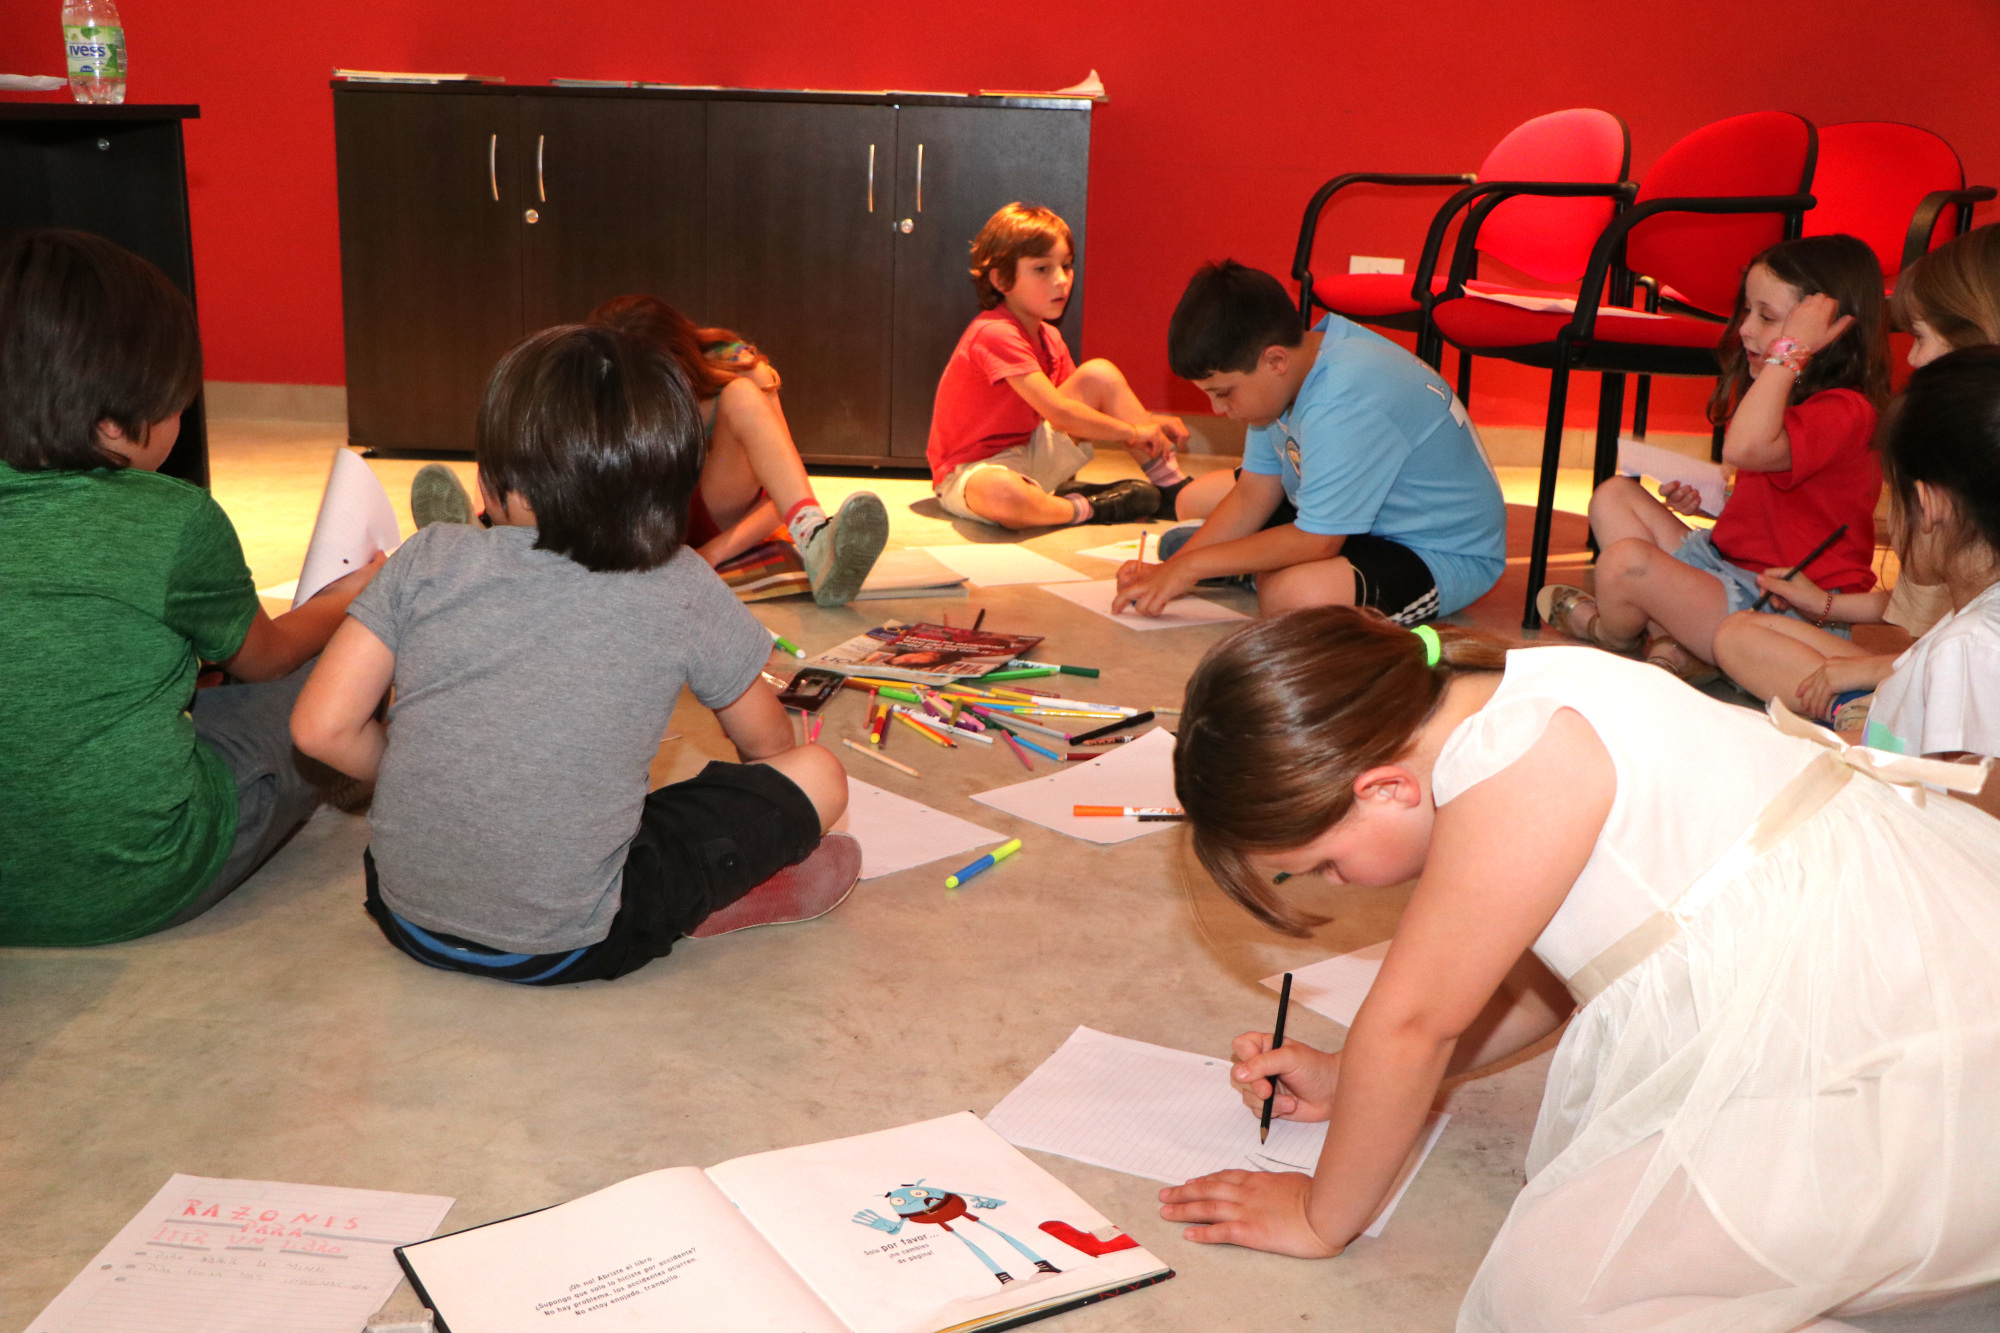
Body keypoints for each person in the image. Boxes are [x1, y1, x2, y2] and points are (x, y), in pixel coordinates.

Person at [1161, 607, 2000, 1330]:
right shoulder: (1512, 686)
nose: (1337, 886)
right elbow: (1560, 976)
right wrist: (1352, 1078)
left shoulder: (1507, 763)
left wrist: (1319, 1217)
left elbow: (1415, 1022)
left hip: (1922, 1073)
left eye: (1326, 864)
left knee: (1556, 1296)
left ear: (1384, 788)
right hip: (1900, 987)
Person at [291, 323, 856, 984]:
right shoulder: (677, 581)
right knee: (818, 772)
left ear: (495, 478)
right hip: (571, 940)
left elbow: (319, 727)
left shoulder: (427, 557)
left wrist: (419, 767)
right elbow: (769, 742)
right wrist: (763, 811)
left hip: (405, 913)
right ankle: (712, 894)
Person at [0, 229, 379, 947]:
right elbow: (264, 659)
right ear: (113, 421)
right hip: (139, 875)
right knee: (333, 682)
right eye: (175, 404)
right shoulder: (175, 518)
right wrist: (349, 596)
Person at [1540, 235, 1890, 680]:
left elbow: (1743, 449)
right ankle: (1679, 645)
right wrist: (1717, 503)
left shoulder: (1847, 411)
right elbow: (1791, 505)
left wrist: (1789, 354)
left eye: (1767, 316)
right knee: (1613, 496)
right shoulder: (1785, 391)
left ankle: (1612, 634)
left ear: (1829, 331)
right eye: (1747, 310)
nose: (1745, 328)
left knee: (1624, 563)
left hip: (1776, 611)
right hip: (1728, 567)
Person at [411, 296, 889, 608]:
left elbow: (774, 500)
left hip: (708, 511)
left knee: (744, 396)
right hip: (638, 511)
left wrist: (715, 552)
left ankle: (818, 543)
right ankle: (482, 534)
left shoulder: (741, 374)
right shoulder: (605, 380)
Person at [1710, 225, 2000, 724]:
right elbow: (1940, 606)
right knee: (1738, 635)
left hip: (1962, 686)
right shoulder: (1960, 447)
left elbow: (1976, 654)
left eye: (1921, 337)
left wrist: (1869, 670)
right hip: (1945, 667)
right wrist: (1825, 606)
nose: (1911, 358)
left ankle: (1867, 716)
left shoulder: (1863, 414)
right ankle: (1869, 707)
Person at [1113, 260, 1504, 623]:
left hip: (1435, 551)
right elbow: (1253, 493)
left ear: (1274, 361)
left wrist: (1191, 566)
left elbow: (1318, 541)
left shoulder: (1344, 399)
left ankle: (1255, 568)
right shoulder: (1293, 370)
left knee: (1291, 598)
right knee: (1192, 500)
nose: (1217, 409)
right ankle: (1249, 562)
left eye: (1224, 392)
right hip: (1364, 523)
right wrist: (1176, 567)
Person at [1715, 348, 2000, 802]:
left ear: (1928, 505)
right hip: (1884, 746)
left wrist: (1834, 764)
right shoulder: (1977, 616)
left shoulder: (1967, 647)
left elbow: (1965, 814)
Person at [927, 202, 1188, 529]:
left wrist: (1149, 421)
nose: (1061, 280)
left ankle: (1171, 489)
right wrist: (1134, 432)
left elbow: (1081, 413)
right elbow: (1060, 413)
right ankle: (1091, 507)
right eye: (1042, 269)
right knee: (1005, 495)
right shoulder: (993, 333)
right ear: (1001, 279)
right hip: (974, 473)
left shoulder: (1048, 337)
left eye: (1066, 265)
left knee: (1099, 374)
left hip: (1031, 453)